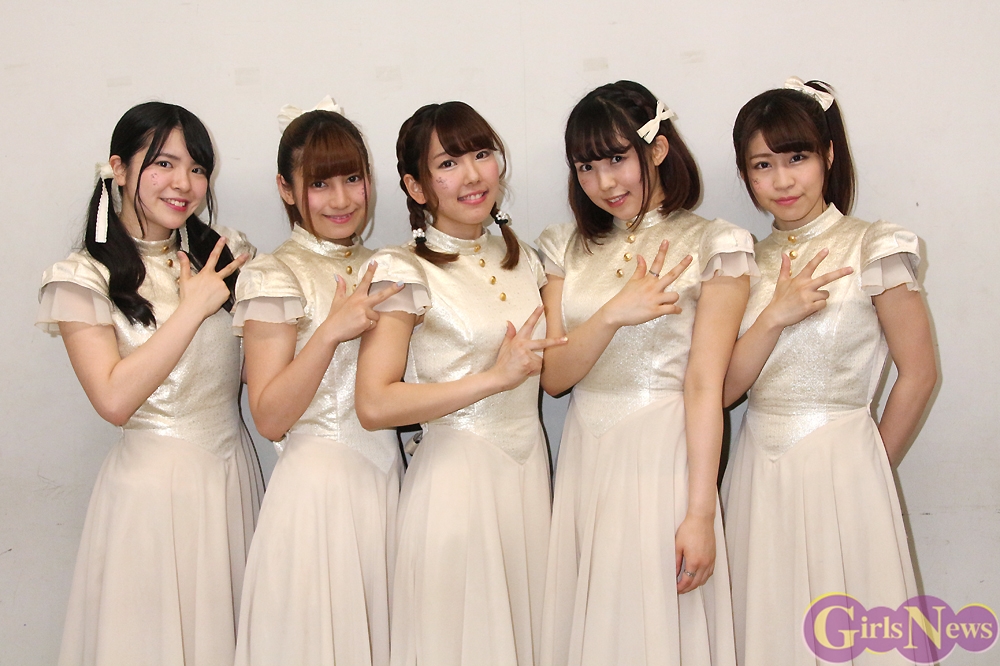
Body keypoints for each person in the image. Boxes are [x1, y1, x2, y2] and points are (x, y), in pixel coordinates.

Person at [721, 78, 937, 665]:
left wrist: (870, 466)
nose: (782, 180)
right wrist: (773, 315)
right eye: (763, 165)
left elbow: (919, 373)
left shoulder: (875, 246)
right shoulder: (741, 261)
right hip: (759, 468)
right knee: (769, 624)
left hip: (846, 464)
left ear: (829, 156)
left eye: (798, 158)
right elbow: (725, 390)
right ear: (746, 175)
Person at [535, 80, 752, 666]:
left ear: (656, 148)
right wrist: (612, 313)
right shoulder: (563, 246)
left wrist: (700, 512)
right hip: (587, 454)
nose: (604, 182)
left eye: (616, 158)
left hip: (665, 455)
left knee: (661, 624)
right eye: (586, 166)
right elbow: (554, 377)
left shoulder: (716, 243)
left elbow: (705, 386)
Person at [36, 101, 261, 666]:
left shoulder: (223, 253)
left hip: (232, 476)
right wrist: (192, 309)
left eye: (197, 168)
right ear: (118, 167)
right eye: (163, 164)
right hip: (152, 496)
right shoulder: (82, 277)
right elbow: (113, 398)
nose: (183, 184)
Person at [354, 101, 566, 666]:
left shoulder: (527, 261)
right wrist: (493, 379)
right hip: (456, 484)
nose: (472, 175)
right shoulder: (402, 268)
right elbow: (374, 403)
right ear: (415, 186)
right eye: (447, 164)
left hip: (526, 477)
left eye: (481, 154)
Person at [232, 99, 404, 666]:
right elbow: (269, 416)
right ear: (286, 189)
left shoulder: (392, 266)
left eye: (352, 179)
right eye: (320, 183)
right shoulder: (272, 275)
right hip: (316, 496)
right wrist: (329, 331)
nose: (341, 200)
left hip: (388, 483)